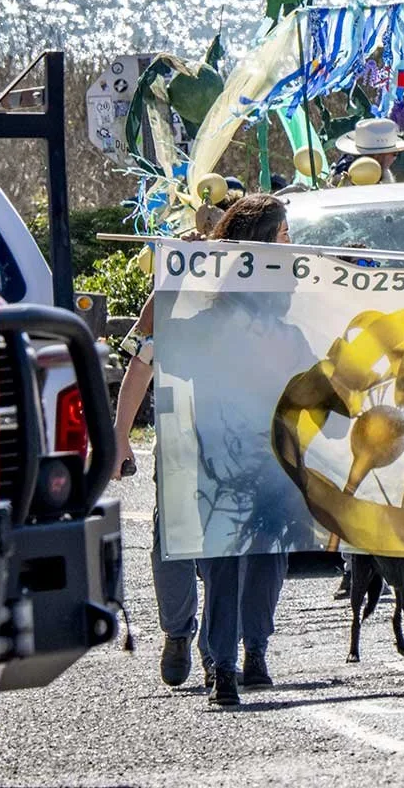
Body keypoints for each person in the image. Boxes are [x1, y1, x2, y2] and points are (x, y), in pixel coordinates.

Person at [113, 192, 297, 707]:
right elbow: (142, 348)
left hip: (272, 449)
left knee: (267, 554)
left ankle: (255, 649)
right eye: (283, 235)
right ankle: (217, 662)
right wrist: (118, 434)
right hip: (208, 446)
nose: (291, 244)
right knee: (218, 554)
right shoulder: (202, 302)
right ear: (258, 241)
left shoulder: (296, 295)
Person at [332, 116, 404, 183]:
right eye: (395, 154)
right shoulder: (349, 180)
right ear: (378, 157)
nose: (394, 159)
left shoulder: (343, 171)